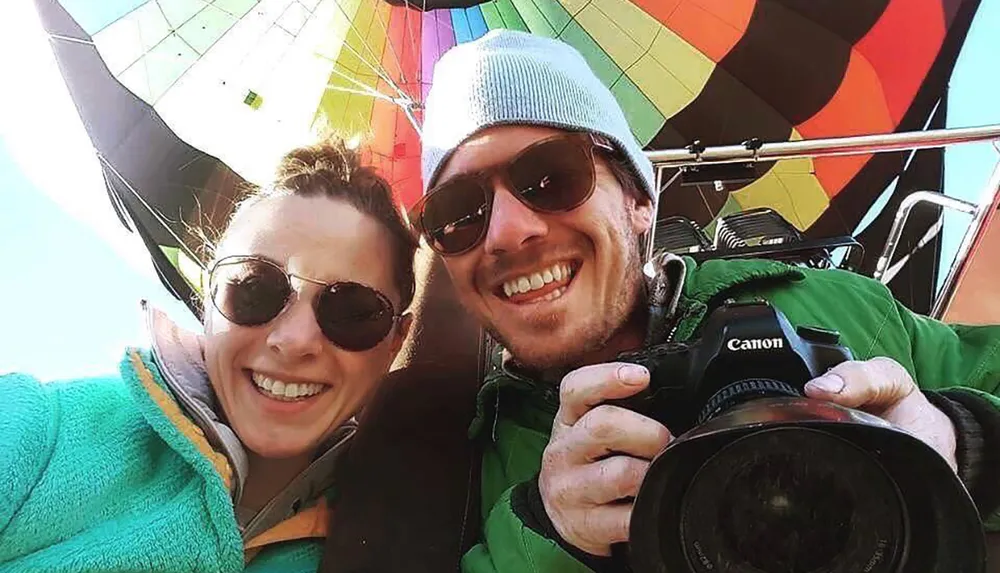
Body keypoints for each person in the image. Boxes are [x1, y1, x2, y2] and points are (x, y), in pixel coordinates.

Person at [410, 30, 1000, 572]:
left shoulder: (846, 307)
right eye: (457, 214)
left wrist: (965, 439)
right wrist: (550, 536)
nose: (508, 231)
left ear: (639, 200)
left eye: (550, 176)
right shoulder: (453, 452)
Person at [0, 137, 416, 572]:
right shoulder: (45, 428)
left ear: (396, 341)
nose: (293, 340)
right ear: (208, 297)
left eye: (352, 312)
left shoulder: (396, 536)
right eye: (254, 289)